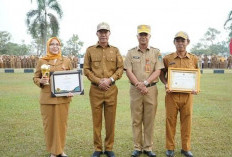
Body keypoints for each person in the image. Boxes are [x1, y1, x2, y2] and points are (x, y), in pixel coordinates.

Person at [83, 22, 124, 157]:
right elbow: (86, 69)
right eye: (101, 32)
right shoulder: (90, 50)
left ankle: (109, 147)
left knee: (110, 120)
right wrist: (98, 81)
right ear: (97, 34)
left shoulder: (115, 50)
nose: (103, 34)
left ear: (109, 34)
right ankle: (98, 148)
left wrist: (110, 80)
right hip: (95, 90)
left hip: (111, 90)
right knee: (97, 120)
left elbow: (120, 68)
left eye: (105, 32)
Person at [124, 25, 164, 157]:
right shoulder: (130, 53)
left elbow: (158, 70)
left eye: (145, 35)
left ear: (149, 36)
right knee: (136, 119)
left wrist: (145, 83)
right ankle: (137, 147)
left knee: (149, 119)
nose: (143, 37)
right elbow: (128, 70)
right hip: (135, 90)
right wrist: (138, 84)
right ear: (137, 37)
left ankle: (148, 147)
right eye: (141, 35)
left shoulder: (156, 52)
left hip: (151, 90)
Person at [159, 31, 199, 157]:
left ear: (188, 42)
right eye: (178, 40)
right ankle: (170, 148)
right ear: (174, 42)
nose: (180, 43)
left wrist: (195, 87)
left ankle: (185, 148)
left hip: (187, 96)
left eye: (183, 40)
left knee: (187, 121)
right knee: (170, 120)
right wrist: (165, 83)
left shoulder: (193, 58)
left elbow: (196, 75)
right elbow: (161, 74)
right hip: (172, 95)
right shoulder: (168, 58)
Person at [33, 37, 73, 157]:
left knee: (61, 125)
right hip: (47, 99)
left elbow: (71, 78)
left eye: (57, 44)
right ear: (48, 46)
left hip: (63, 99)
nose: (55, 46)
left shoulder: (66, 61)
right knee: (49, 125)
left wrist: (71, 90)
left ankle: (60, 150)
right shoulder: (42, 61)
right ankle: (53, 152)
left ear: (60, 46)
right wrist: (41, 80)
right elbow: (35, 77)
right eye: (52, 44)